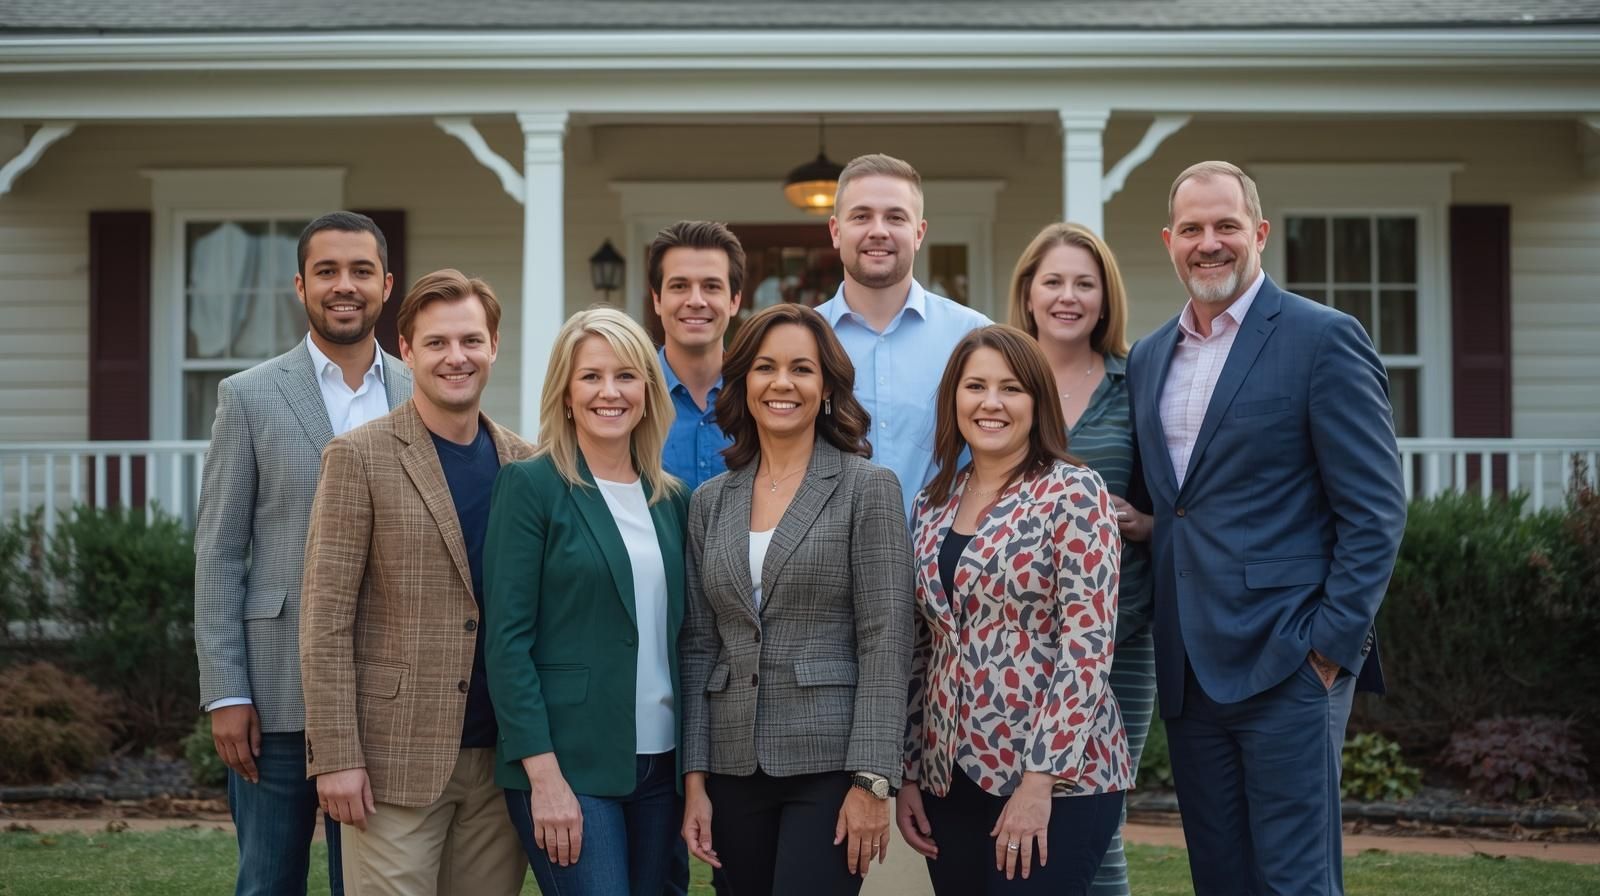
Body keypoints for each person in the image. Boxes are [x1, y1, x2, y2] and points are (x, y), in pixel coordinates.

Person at [1127, 161, 1406, 895]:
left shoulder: (1323, 339)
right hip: (1189, 668)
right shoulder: (1152, 357)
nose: (1209, 243)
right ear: (1169, 241)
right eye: (1192, 229)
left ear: (1259, 233)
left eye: (1225, 225)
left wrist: (1330, 647)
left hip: (1290, 659)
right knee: (1220, 878)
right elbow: (1186, 509)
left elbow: (1375, 510)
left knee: (1295, 881)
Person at [195, 211, 409, 896]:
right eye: (327, 271)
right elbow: (220, 552)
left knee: (373, 884)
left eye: (360, 271)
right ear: (300, 285)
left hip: (386, 690)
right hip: (274, 690)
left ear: (385, 284)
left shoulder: (419, 391)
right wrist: (226, 691)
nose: (344, 286)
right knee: (268, 882)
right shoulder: (249, 396)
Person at [299, 270, 531, 896]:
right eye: (437, 343)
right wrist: (337, 758)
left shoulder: (528, 463)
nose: (456, 357)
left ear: (493, 346)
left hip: (502, 758)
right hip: (393, 759)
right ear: (406, 349)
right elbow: (324, 621)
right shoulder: (358, 456)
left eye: (471, 340)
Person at [679, 303, 914, 896]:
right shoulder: (710, 501)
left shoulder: (868, 488)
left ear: (828, 387)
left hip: (831, 765)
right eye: (765, 367)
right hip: (732, 767)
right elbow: (700, 646)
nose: (782, 383)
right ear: (744, 384)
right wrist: (695, 780)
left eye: (801, 369)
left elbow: (887, 640)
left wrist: (873, 780)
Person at [898, 325, 1130, 895]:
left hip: (1057, 777)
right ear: (954, 398)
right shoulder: (932, 503)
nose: (991, 403)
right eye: (975, 386)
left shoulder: (1075, 493)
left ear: (1037, 402)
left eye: (1011, 388)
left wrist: (1038, 782)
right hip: (947, 778)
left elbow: (1087, 647)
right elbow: (921, 646)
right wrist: (907, 772)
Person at [484, 307, 689, 896]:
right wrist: (542, 775)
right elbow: (507, 643)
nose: (610, 392)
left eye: (626, 376)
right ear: (566, 393)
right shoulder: (531, 486)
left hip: (660, 765)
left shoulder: (671, 499)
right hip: (568, 764)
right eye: (591, 377)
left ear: (648, 393)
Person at [1006, 223, 1155, 896]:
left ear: (1105, 299)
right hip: (1013, 646)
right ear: (1029, 294)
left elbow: (1180, 500)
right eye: (1054, 282)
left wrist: (1146, 525)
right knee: (1020, 819)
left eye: (1084, 284)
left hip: (1119, 635)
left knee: (1097, 816)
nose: (1068, 297)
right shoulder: (1000, 381)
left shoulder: (1140, 383)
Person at [647, 220, 742, 896]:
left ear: (736, 299)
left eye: (712, 285)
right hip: (645, 650)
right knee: (654, 865)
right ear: (656, 299)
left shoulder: (765, 396)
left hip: (741, 663)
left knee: (743, 860)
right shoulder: (620, 394)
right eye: (678, 285)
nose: (695, 300)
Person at [815, 153, 990, 516]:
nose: (878, 230)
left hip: (944, 563)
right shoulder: (804, 341)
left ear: (919, 233)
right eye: (861, 216)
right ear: (836, 231)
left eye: (895, 217)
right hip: (830, 568)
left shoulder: (973, 337)